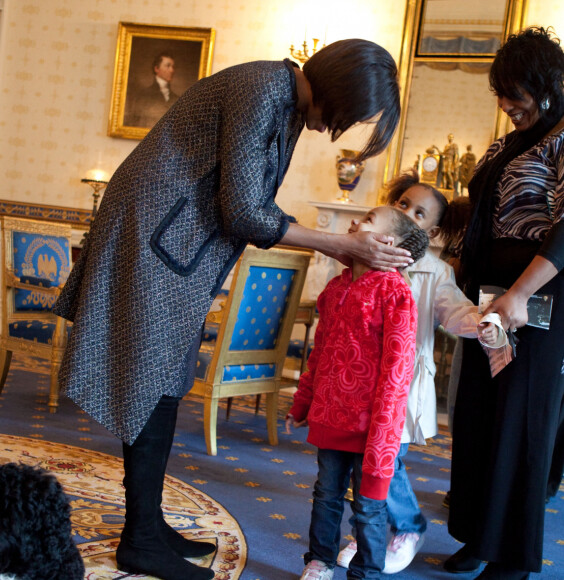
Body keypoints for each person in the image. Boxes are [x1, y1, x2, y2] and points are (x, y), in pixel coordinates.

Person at [52, 39, 408, 580]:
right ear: (339, 90)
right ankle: (140, 538)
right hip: (151, 235)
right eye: (351, 114)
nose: (341, 126)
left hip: (173, 247)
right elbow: (243, 209)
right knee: (151, 379)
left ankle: (146, 524)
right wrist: (336, 245)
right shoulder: (264, 88)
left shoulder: (282, 102)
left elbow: (251, 202)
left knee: (168, 381)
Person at [335, 170, 502, 574]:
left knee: (387, 462)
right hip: (357, 379)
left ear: (433, 229)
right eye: (403, 204)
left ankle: (409, 526)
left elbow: (454, 311)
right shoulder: (364, 252)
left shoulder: (436, 272)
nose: (408, 212)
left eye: (420, 212)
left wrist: (483, 317)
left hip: (400, 385)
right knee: (360, 461)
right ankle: (371, 529)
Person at [445, 27, 564, 580]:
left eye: (514, 91)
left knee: (520, 422)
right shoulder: (508, 140)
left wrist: (519, 294)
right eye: (501, 92)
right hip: (487, 298)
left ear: (545, 84)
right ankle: (478, 535)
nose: (505, 104)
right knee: (477, 416)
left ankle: (511, 557)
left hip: (532, 300)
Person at [286, 205, 431, 580]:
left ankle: (365, 572)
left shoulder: (396, 293)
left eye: (366, 220)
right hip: (329, 417)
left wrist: (384, 435)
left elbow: (397, 372)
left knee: (368, 506)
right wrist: (303, 401)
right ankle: (319, 560)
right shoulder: (336, 287)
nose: (354, 224)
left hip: (372, 428)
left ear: (389, 242)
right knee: (325, 495)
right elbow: (319, 352)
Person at [125, 52, 179, 128]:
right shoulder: (142, 96)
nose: (172, 70)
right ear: (156, 69)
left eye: (173, 67)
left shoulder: (177, 99)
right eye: (168, 66)